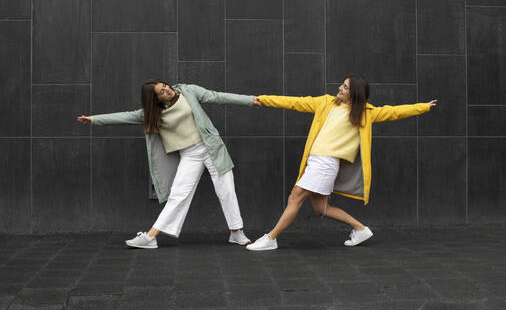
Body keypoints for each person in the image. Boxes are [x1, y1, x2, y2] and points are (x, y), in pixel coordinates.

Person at [246, 74, 437, 251]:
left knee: (295, 198)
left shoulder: (365, 114)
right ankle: (360, 229)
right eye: (342, 85)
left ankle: (270, 238)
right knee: (321, 209)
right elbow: (295, 102)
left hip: (326, 164)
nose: (340, 88)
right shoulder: (326, 103)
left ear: (354, 94)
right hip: (316, 162)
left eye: (345, 87)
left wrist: (424, 107)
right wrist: (263, 99)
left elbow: (394, 112)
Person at [77, 79, 261, 249]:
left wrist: (250, 100)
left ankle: (236, 232)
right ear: (155, 99)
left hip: (211, 147)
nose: (167, 90)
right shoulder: (153, 113)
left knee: (226, 190)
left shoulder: (189, 91)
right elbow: (124, 117)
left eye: (165, 85)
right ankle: (150, 237)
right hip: (189, 154)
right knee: (178, 195)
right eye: (161, 92)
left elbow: (218, 97)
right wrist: (93, 119)